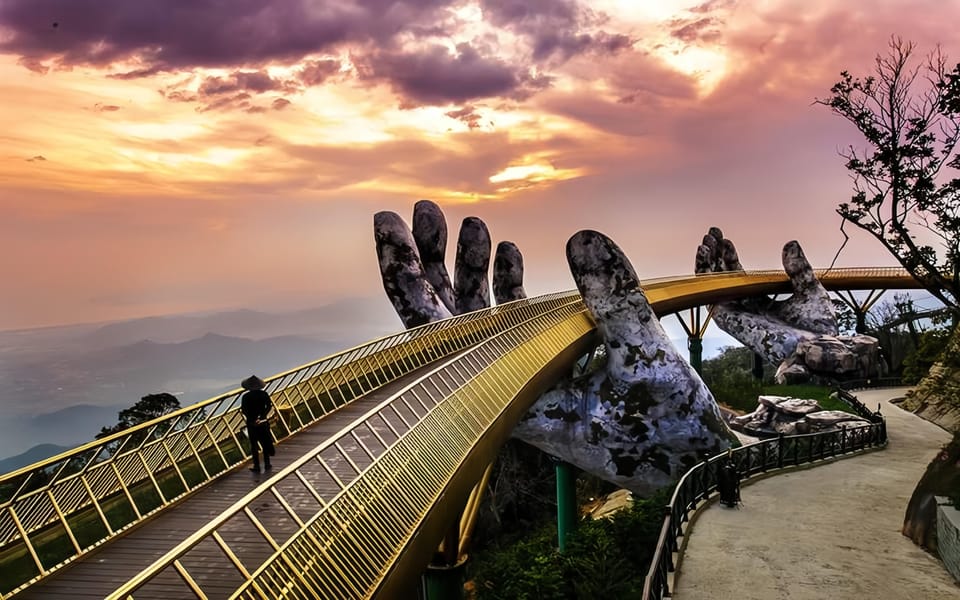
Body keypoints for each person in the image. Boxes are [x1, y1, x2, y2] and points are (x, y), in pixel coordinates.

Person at [240, 375, 275, 473]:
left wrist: (252, 419)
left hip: (251, 424)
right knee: (265, 442)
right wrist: (262, 416)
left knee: (254, 445)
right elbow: (269, 406)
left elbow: (244, 410)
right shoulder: (264, 394)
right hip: (263, 422)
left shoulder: (246, 397)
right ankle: (267, 464)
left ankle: (257, 466)